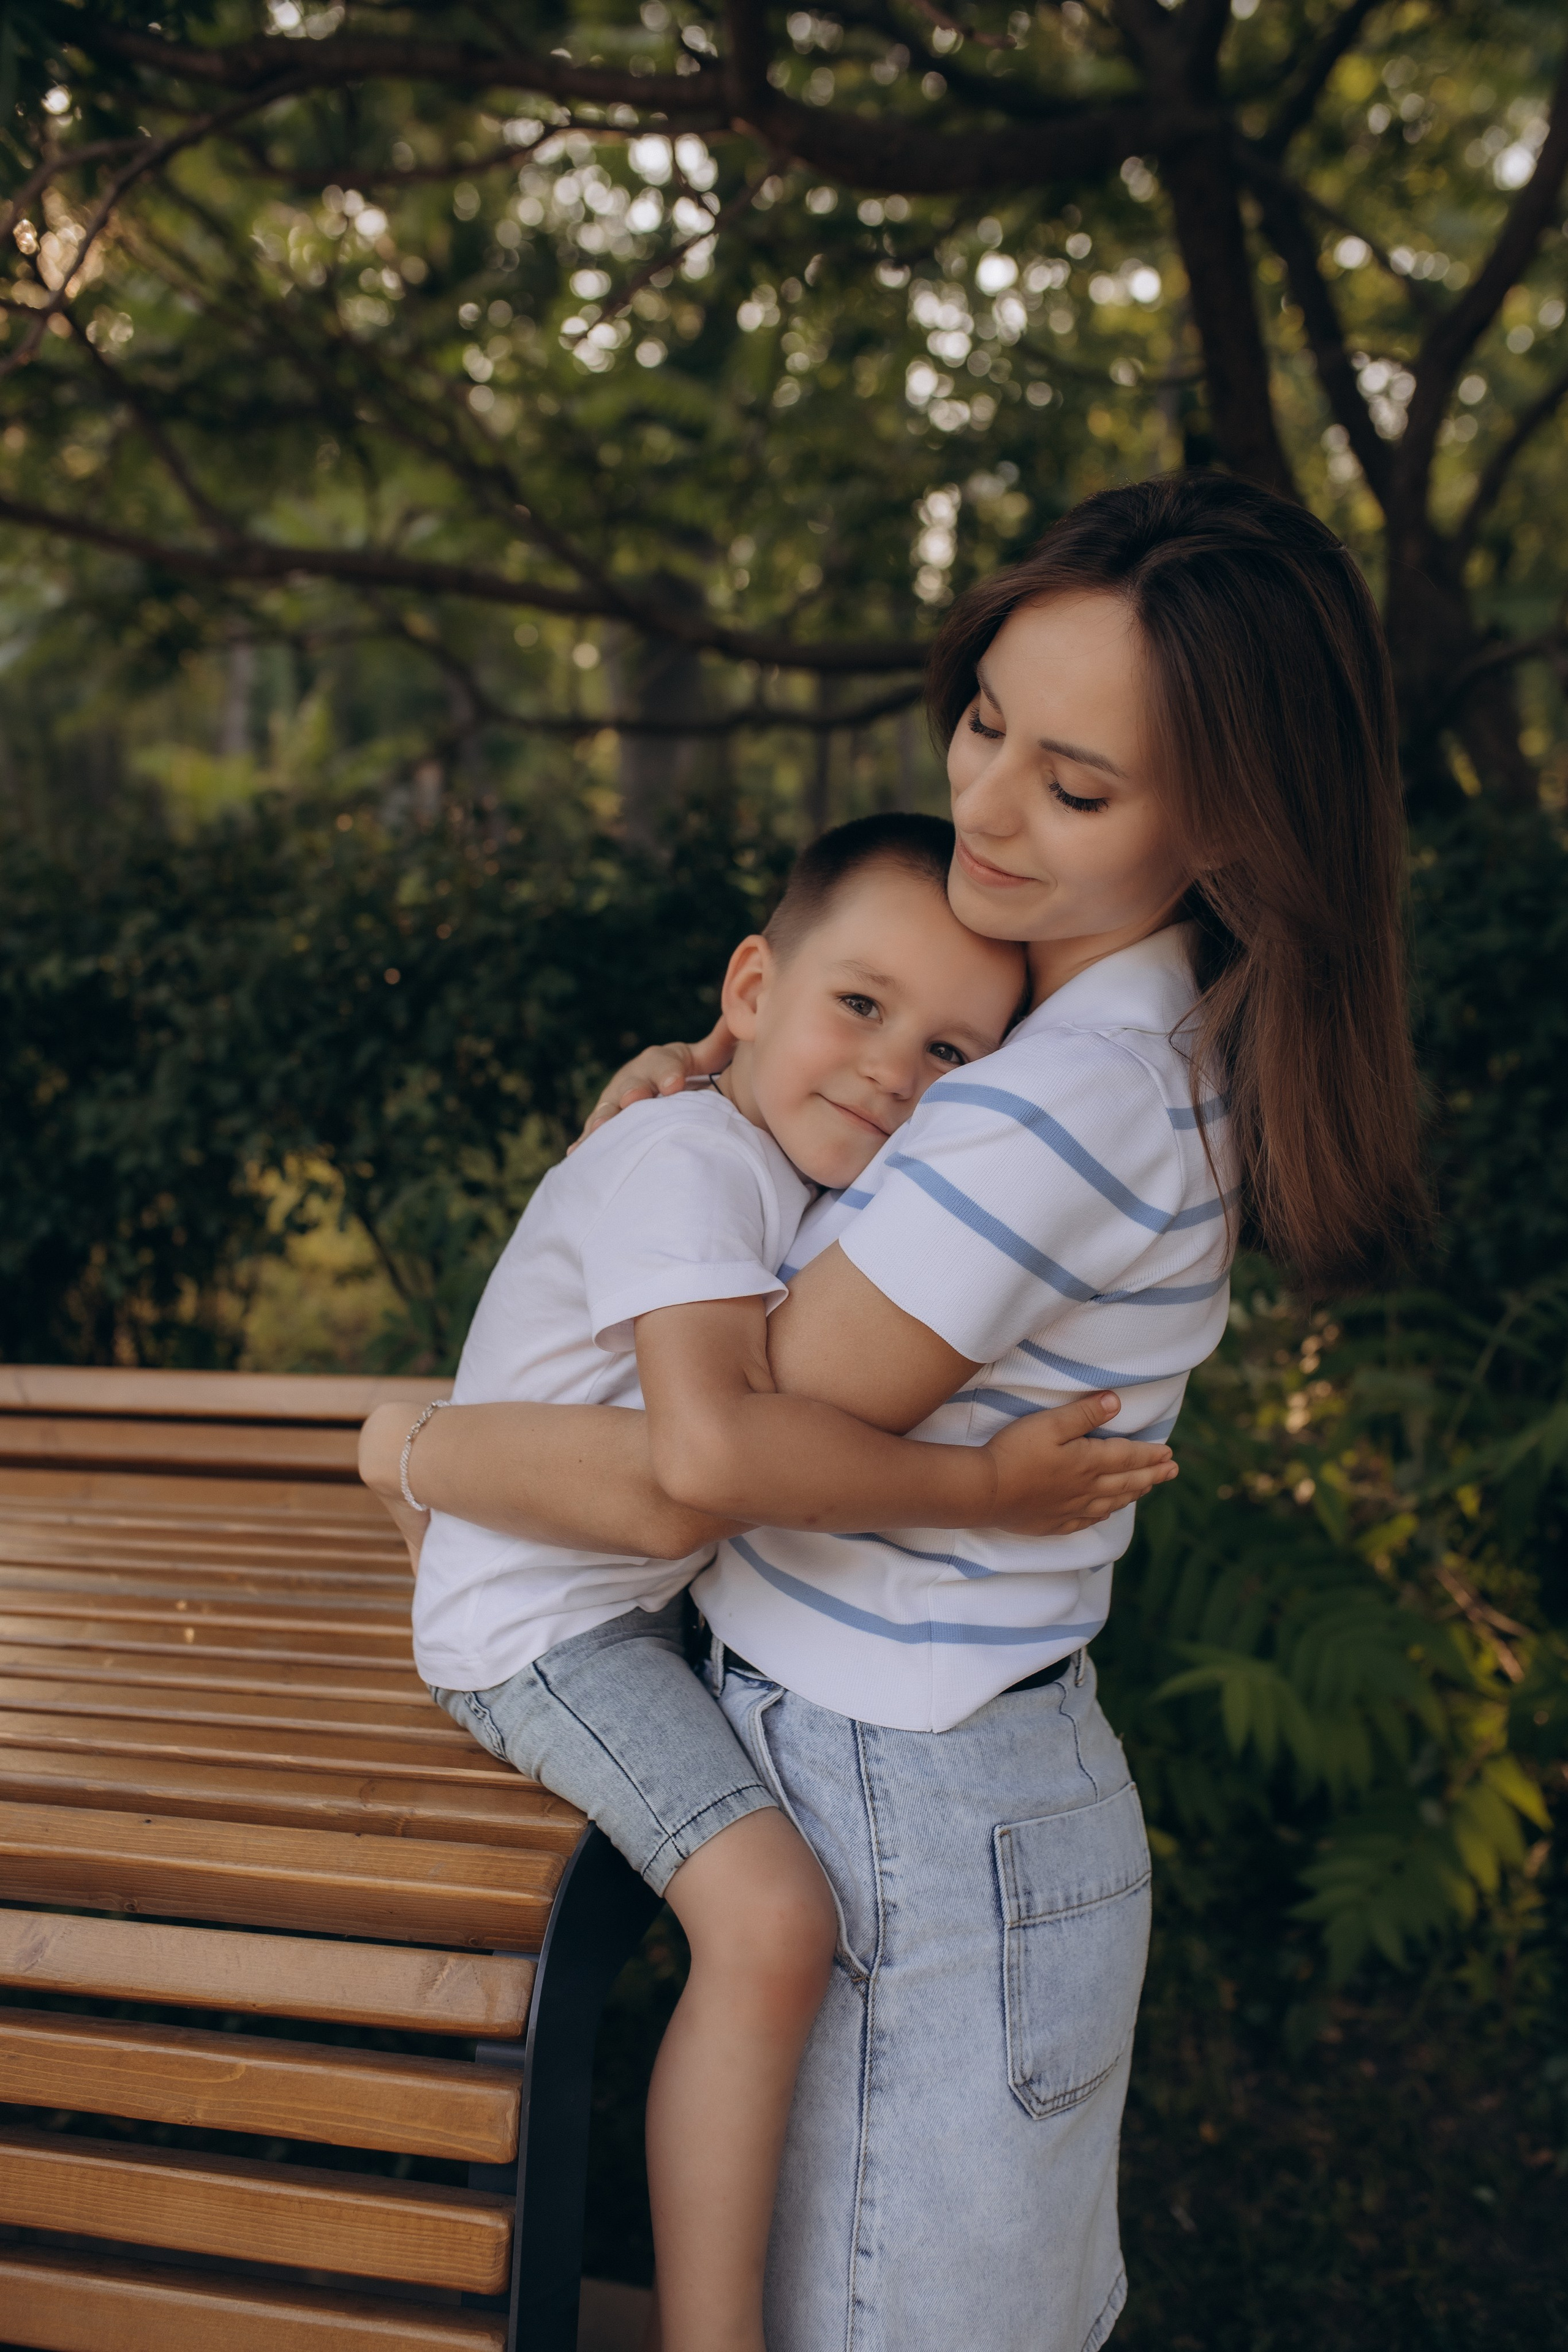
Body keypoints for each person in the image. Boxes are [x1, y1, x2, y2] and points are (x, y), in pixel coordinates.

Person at [363, 474, 1428, 2352]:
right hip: (960, 1778)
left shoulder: (1045, 1101)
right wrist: (714, 1091)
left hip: (920, 1804)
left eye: (1075, 787)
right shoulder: (1089, 1032)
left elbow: (708, 1459)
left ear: (1228, 819)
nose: (987, 807)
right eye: (987, 723)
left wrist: (411, 1450)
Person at [382, 813, 1177, 2352]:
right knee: (768, 1922)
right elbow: (714, 1451)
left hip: (617, 1594)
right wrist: (985, 1492)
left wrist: (717, 1046)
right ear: (754, 985)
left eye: (953, 1051)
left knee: (763, 1922)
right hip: (547, 1628)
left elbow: (807, 1068)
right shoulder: (687, 1159)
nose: (894, 1069)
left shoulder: (770, 1146)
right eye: (860, 1008)